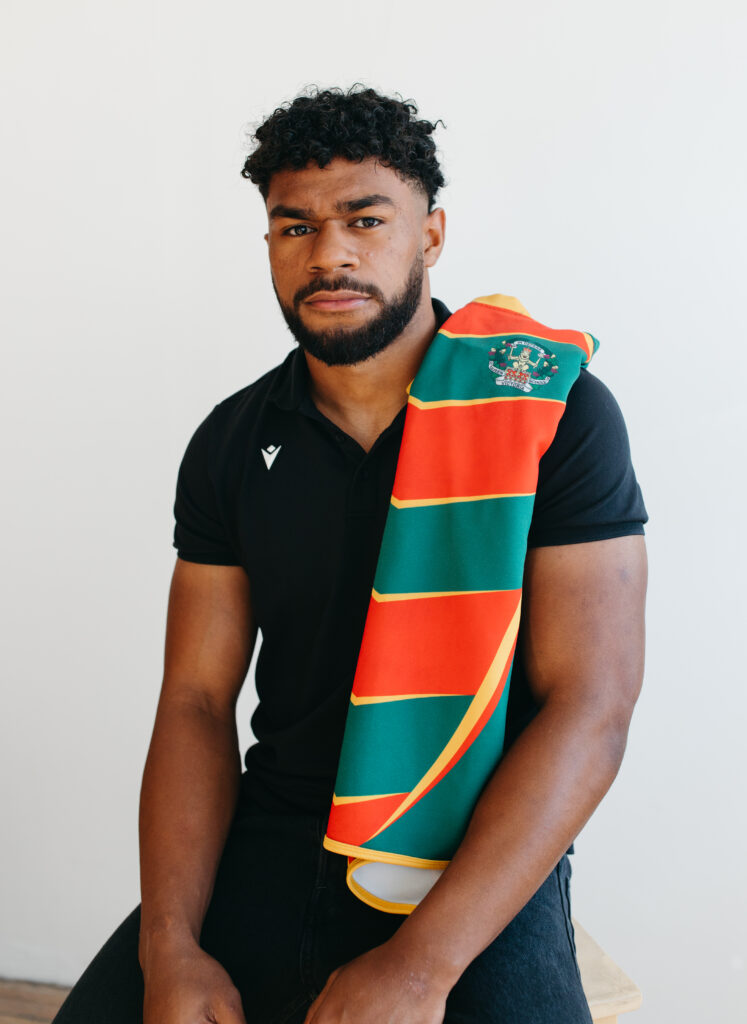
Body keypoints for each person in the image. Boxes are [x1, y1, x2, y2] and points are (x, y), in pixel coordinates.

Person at [52, 85, 648, 1024]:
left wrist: (420, 968)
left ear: (430, 235)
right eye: (295, 227)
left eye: (365, 220)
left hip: (469, 843)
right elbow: (196, 699)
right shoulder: (231, 440)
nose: (328, 253)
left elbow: (592, 707)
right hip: (278, 826)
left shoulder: (548, 412)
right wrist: (169, 947)